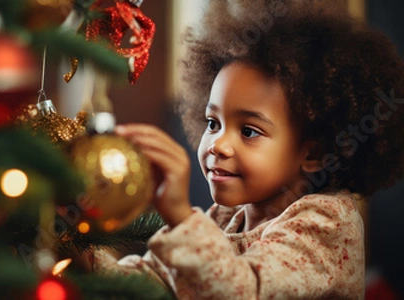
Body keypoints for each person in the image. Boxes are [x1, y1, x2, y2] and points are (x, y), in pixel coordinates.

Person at [91, 1, 404, 299]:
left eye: (249, 131)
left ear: (313, 154)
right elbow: (151, 286)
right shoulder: (225, 218)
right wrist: (76, 247)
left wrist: (181, 219)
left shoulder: (328, 224)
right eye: (213, 123)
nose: (217, 144)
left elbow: (240, 292)